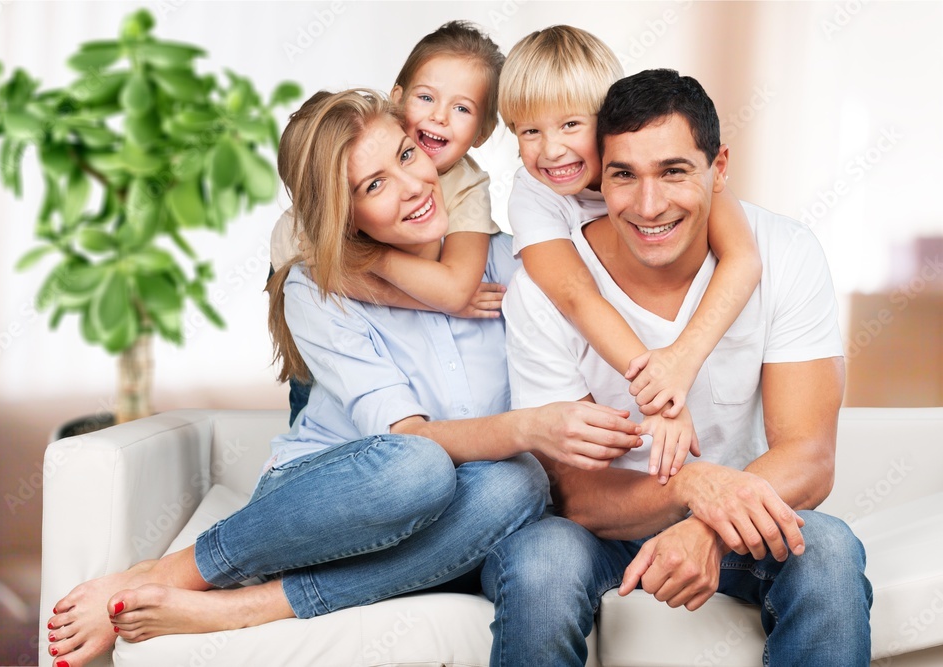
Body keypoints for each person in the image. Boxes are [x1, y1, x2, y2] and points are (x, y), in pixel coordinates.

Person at [43, 89, 645, 667]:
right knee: (419, 465)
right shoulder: (320, 289)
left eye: (407, 155)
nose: (413, 188)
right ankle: (163, 575)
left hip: (469, 519)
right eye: (374, 186)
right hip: (334, 503)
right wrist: (528, 426)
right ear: (344, 212)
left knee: (520, 485)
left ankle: (251, 608)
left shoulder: (513, 260)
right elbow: (412, 439)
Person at [482, 69, 873, 667]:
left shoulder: (785, 252)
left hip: (741, 514)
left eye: (673, 171)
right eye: (623, 176)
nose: (648, 205)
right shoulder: (545, 290)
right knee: (542, 561)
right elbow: (576, 493)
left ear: (718, 169)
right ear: (597, 176)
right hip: (602, 529)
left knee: (827, 550)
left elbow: (810, 457)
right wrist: (690, 485)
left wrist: (709, 525)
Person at [498, 26, 764, 481]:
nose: (551, 149)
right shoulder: (533, 194)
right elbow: (575, 294)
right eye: (529, 131)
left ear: (606, 121)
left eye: (570, 124)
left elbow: (744, 259)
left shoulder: (668, 161)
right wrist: (660, 394)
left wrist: (680, 362)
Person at [271, 21, 508, 425]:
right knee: (318, 408)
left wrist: (371, 260)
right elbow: (309, 272)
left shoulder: (467, 186)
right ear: (397, 101)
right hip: (329, 349)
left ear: (483, 133)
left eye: (462, 108)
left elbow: (454, 291)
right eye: (427, 97)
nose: (439, 117)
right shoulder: (328, 191)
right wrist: (382, 263)